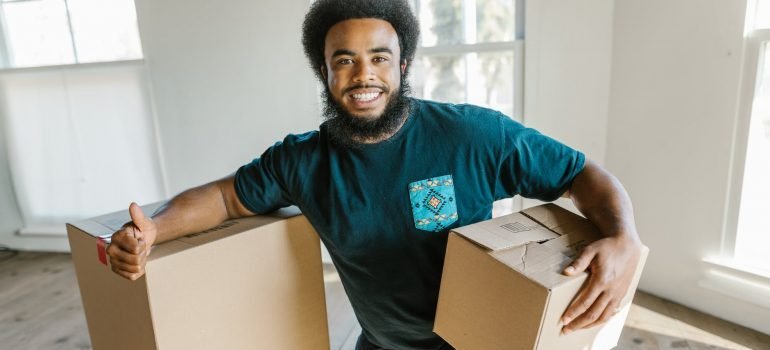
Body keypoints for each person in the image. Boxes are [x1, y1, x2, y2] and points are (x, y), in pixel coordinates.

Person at [106, 1, 643, 349]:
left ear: (402, 64)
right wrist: (156, 228)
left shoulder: (474, 135)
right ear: (324, 70)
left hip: (481, 338)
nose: (363, 74)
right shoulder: (301, 161)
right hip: (380, 345)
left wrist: (623, 236)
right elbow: (225, 198)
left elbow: (580, 174)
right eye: (344, 60)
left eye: (379, 58)